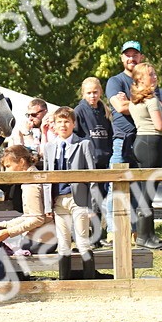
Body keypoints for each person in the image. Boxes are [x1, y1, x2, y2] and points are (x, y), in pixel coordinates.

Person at [43, 108, 100, 276]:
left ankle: (90, 278)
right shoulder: (49, 147)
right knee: (63, 242)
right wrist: (47, 205)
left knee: (82, 240)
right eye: (59, 122)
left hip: (78, 199)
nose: (63, 125)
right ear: (54, 125)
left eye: (67, 121)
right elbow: (46, 179)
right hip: (59, 200)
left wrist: (93, 207)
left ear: (73, 124)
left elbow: (92, 177)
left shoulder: (83, 144)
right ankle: (64, 280)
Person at [129, 62, 162, 250]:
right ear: (140, 79)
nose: (154, 77)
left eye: (154, 74)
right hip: (152, 143)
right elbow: (159, 125)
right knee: (148, 193)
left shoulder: (135, 100)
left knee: (146, 192)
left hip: (142, 143)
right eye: (150, 75)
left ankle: (148, 235)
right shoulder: (152, 101)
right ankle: (144, 237)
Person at [105, 41, 145, 239]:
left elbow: (158, 107)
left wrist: (132, 102)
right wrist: (144, 103)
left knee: (138, 187)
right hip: (122, 139)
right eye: (127, 55)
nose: (131, 58)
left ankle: (135, 231)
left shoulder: (145, 81)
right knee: (116, 186)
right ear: (122, 58)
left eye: (135, 54)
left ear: (141, 57)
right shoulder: (115, 81)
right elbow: (120, 107)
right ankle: (114, 231)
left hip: (142, 139)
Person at [72, 78, 112, 170]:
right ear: (83, 94)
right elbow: (74, 135)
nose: (92, 96)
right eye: (89, 93)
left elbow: (110, 135)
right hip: (87, 161)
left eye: (95, 92)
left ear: (100, 92)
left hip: (105, 159)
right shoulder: (79, 111)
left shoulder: (106, 111)